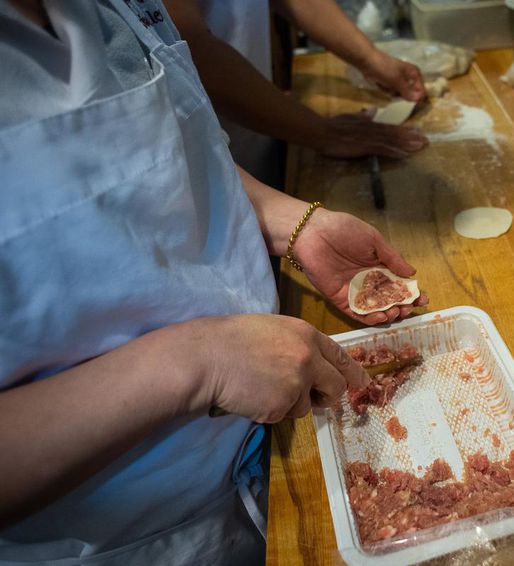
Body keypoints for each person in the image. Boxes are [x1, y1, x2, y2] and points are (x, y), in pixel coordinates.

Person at [0, 1, 426, 564]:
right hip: (130, 537)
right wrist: (200, 364)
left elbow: (171, 148)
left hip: (260, 452)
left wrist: (290, 222)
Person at [163, 0, 429, 181]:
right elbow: (187, 47)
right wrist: (324, 132)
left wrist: (370, 59)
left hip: (258, 127)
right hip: (196, 157)